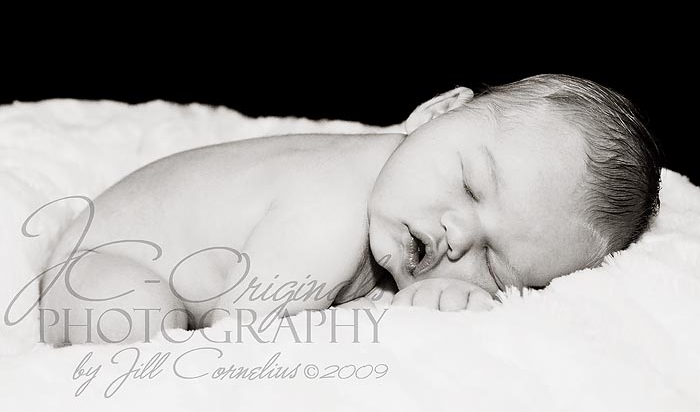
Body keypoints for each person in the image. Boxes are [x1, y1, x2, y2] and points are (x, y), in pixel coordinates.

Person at [39, 74, 661, 345]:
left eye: (495, 265)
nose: (458, 236)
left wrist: (427, 298)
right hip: (107, 258)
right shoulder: (333, 211)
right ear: (435, 113)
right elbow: (242, 333)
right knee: (140, 328)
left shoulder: (396, 191)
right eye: (472, 186)